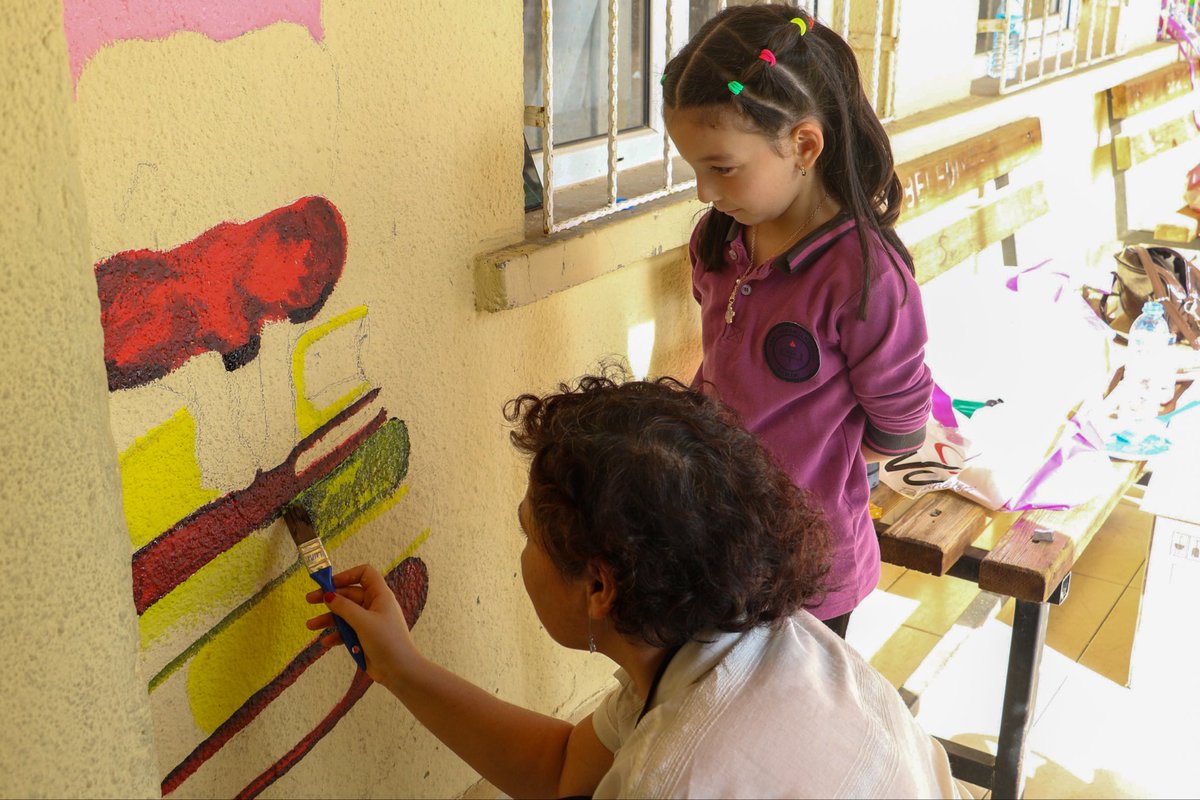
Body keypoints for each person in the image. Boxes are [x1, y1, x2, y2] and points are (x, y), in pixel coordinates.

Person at [306, 373, 963, 799]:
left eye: (528, 536)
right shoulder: (758, 637)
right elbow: (565, 769)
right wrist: (402, 668)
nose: (523, 557)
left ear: (598, 586)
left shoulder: (672, 778)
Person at [661, 4, 934, 636]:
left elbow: (899, 427)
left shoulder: (864, 279)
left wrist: (816, 462)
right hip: (713, 545)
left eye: (721, 168)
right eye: (694, 168)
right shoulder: (717, 239)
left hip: (810, 575)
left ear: (803, 145)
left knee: (788, 729)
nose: (704, 191)